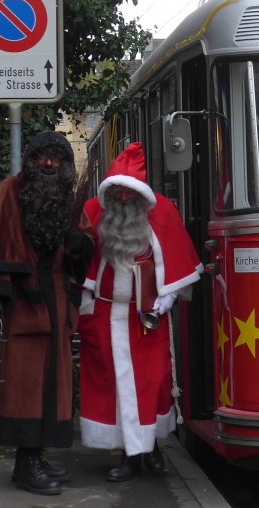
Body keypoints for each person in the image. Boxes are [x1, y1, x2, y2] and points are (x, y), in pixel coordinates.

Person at [77, 142, 202, 482]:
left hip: (145, 319)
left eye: (129, 192)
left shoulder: (162, 212)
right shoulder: (92, 211)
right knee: (112, 387)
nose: (123, 199)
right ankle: (129, 456)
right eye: (117, 191)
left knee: (152, 383)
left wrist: (168, 298)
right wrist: (84, 302)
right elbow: (79, 262)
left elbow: (178, 259)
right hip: (103, 317)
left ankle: (149, 448)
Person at [0, 131, 85, 496]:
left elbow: (81, 238)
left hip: (56, 303)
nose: (48, 163)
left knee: (54, 385)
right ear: (30, 161)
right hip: (26, 301)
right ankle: (25, 464)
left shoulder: (67, 196)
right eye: (42, 157)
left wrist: (83, 246)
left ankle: (38, 456)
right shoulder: (11, 188)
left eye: (56, 158)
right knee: (26, 385)